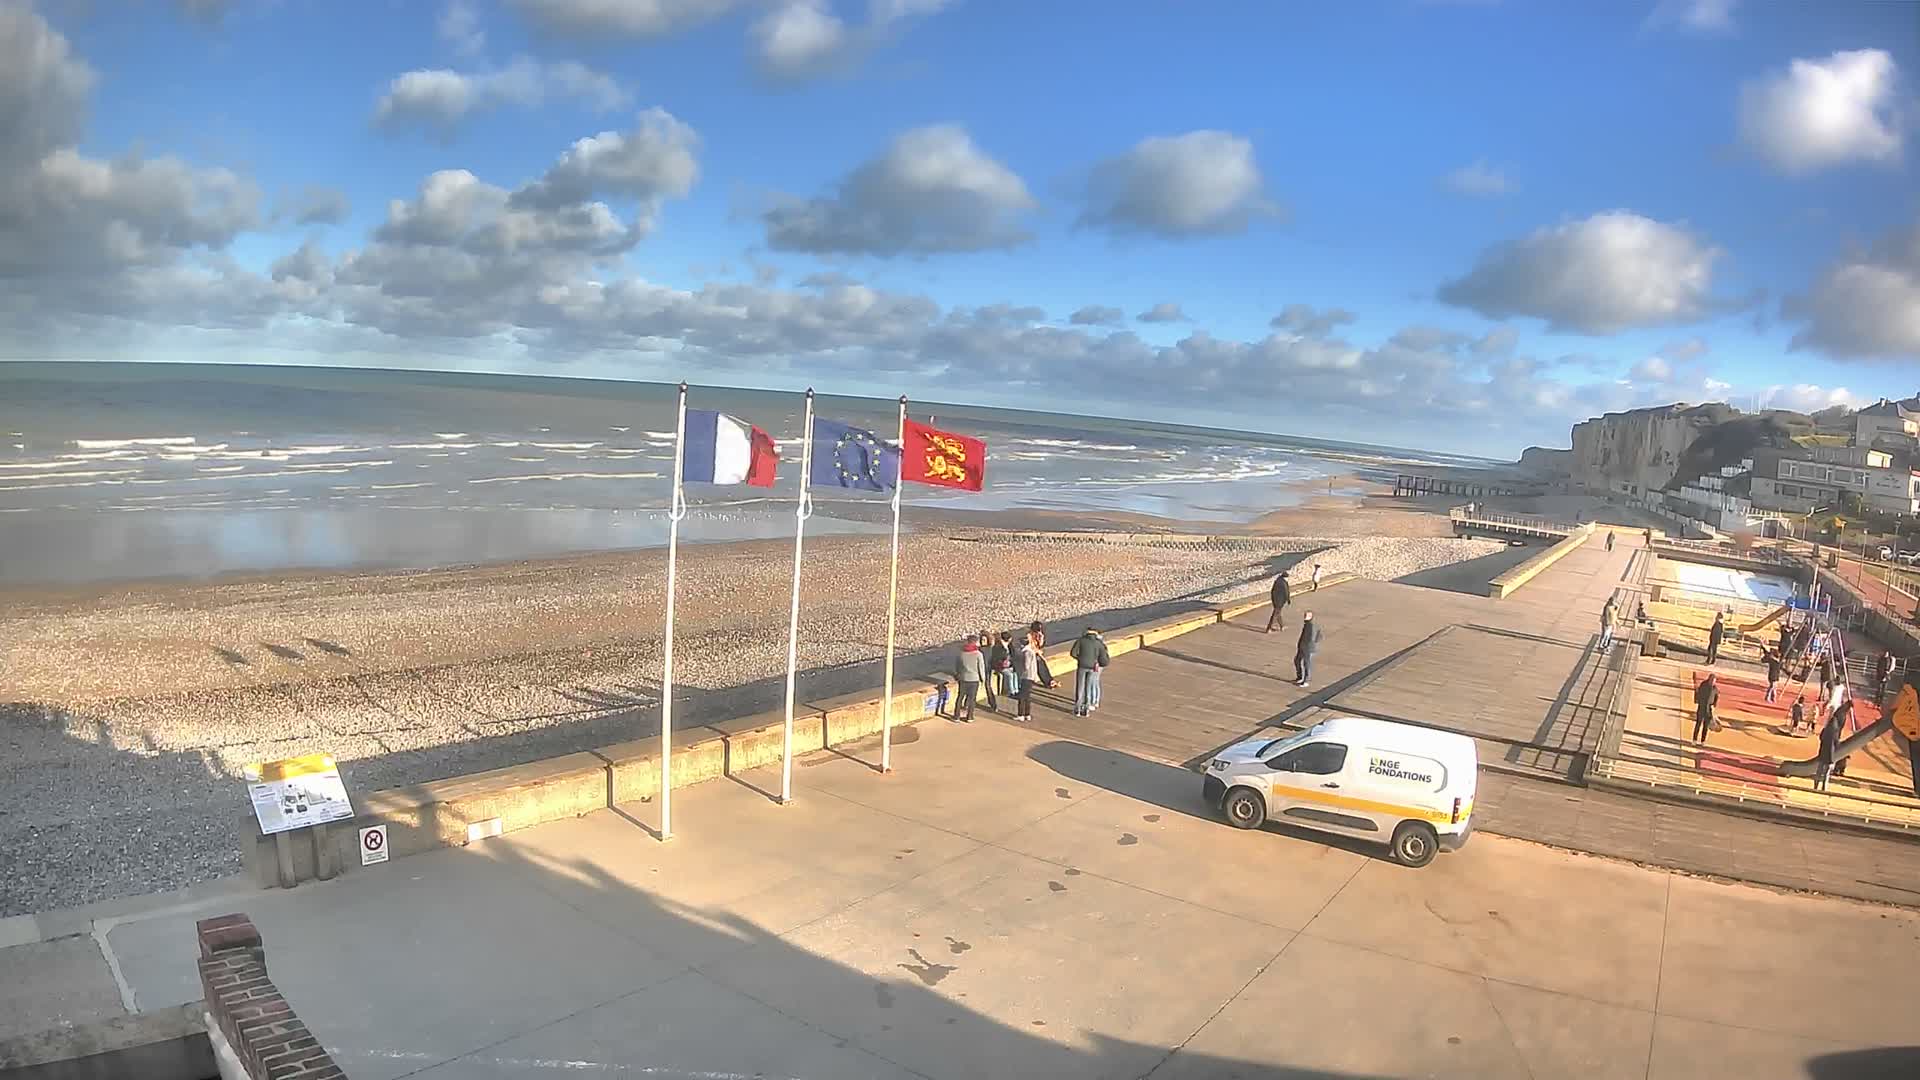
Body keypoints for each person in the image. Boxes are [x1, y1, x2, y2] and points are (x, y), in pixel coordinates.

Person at [1069, 627, 1110, 717]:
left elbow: (1073, 653)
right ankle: (1086, 708)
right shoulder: (1098, 643)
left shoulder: (1080, 641)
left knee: (1080, 687)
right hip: (1092, 667)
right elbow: (1103, 656)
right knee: (1088, 687)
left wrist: (1080, 658)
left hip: (1082, 666)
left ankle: (1077, 708)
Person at [952, 634, 985, 723]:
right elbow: (981, 668)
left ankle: (956, 716)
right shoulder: (978, 654)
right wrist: (983, 679)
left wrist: (958, 675)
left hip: (963, 678)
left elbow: (958, 666)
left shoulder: (961, 653)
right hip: (974, 679)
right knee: (972, 699)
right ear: (975, 642)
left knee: (960, 697)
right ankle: (969, 716)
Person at [1816, 703, 1842, 792]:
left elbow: (1821, 737)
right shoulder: (1835, 732)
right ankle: (1824, 787)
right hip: (1830, 754)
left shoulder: (1825, 730)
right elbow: (1836, 743)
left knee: (1819, 770)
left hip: (1822, 751)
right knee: (1826, 772)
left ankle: (1815, 785)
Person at [1014, 631, 1038, 722]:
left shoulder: (1026, 652)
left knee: (1022, 697)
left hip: (1026, 676)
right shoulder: (1031, 651)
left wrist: (1019, 668)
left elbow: (1026, 666)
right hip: (1031, 676)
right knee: (1027, 697)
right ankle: (1027, 714)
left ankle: (1020, 714)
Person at [1294, 612, 1322, 688]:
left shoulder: (1310, 626)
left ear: (1311, 617)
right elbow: (1319, 636)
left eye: (1307, 616)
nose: (1304, 617)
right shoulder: (1308, 625)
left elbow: (1311, 638)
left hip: (1306, 648)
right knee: (1297, 661)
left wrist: (1310, 645)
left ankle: (1306, 680)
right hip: (1303, 647)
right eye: (1305, 615)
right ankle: (1300, 677)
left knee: (1306, 664)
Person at [984, 629, 1007, 712]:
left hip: (986, 668)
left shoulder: (990, 649)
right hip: (989, 668)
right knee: (987, 686)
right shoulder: (998, 647)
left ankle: (993, 704)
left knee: (987, 685)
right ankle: (993, 705)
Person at [1692, 673, 1718, 743]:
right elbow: (1699, 694)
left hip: (1708, 710)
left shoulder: (1715, 688)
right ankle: (1694, 739)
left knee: (1705, 726)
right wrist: (1698, 701)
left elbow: (1716, 697)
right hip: (1701, 707)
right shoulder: (1703, 685)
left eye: (1714, 681)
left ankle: (1703, 741)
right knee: (1698, 724)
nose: (1712, 682)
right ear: (1709, 679)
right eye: (1712, 680)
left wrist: (1714, 705)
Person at [1029, 620, 1055, 689]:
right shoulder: (1029, 636)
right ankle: (1047, 681)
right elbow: (1031, 647)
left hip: (1036, 653)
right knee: (1039, 663)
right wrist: (1038, 652)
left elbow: (1040, 645)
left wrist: (1041, 637)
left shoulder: (1038, 635)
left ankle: (1049, 679)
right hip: (1031, 653)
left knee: (1042, 662)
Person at [998, 630, 1020, 704]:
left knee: (1015, 674)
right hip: (1001, 667)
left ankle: (1016, 690)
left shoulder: (1010, 646)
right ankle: (1011, 692)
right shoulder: (999, 647)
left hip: (1009, 665)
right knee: (1010, 675)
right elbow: (996, 658)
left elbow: (1013, 655)